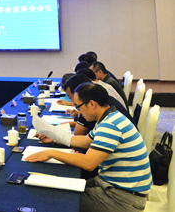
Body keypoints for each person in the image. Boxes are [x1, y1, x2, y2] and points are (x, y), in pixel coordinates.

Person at [27, 83, 151, 212]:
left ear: (92, 104)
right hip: (113, 186)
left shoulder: (110, 126)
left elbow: (88, 163)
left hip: (122, 199)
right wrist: (54, 139)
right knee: (62, 187)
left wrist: (51, 153)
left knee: (61, 199)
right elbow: (85, 141)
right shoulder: (110, 117)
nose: (79, 112)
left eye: (78, 106)